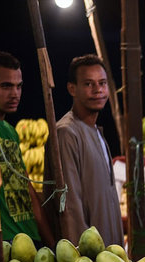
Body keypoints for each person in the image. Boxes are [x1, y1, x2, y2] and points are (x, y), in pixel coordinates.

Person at [0, 51, 51, 245]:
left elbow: (27, 190)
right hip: (0, 242)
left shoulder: (11, 132)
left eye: (19, 86)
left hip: (30, 239)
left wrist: (51, 242)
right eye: (6, 86)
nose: (15, 94)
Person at [44, 54, 123, 246]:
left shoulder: (96, 133)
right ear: (72, 88)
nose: (98, 90)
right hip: (88, 260)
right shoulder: (66, 133)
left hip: (109, 255)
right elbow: (70, 206)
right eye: (89, 84)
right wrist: (82, 256)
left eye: (102, 83)